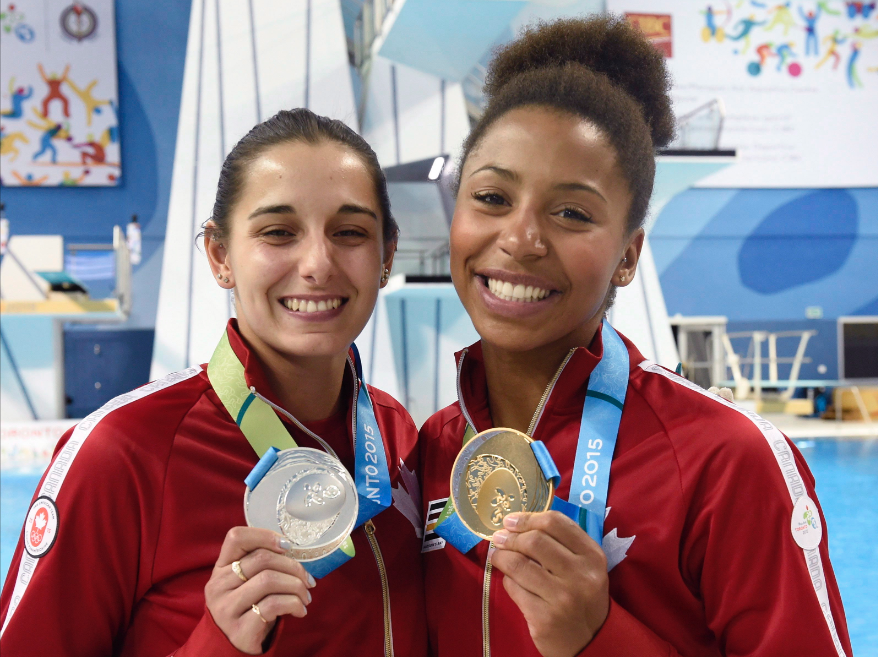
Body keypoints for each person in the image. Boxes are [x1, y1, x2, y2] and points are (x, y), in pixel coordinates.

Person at [419, 16, 851, 657]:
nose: (520, 238)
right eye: (491, 197)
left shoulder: (726, 461)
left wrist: (600, 639)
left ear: (628, 255)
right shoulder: (427, 455)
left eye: (571, 212)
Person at [0, 109, 428, 656]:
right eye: (278, 232)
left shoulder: (397, 436)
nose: (318, 263)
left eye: (350, 233)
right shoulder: (124, 453)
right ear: (221, 256)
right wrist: (215, 644)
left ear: (386, 255)